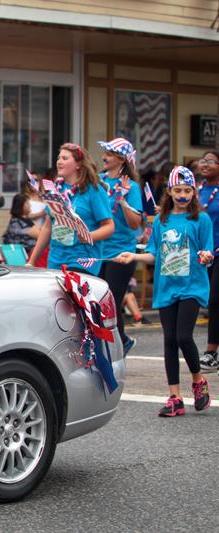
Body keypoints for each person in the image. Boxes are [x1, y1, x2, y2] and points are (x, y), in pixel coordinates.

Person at [115, 166, 213, 416]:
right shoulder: (161, 220)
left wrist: (205, 257)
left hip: (192, 286)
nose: (182, 195)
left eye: (187, 190)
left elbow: (208, 252)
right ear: (169, 191)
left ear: (194, 192)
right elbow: (154, 253)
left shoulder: (201, 219)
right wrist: (133, 257)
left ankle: (199, 380)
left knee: (183, 337)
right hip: (166, 286)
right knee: (169, 341)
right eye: (178, 190)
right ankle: (174, 397)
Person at [27, 143, 114, 276]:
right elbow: (47, 228)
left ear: (78, 164)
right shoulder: (55, 190)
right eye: (59, 158)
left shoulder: (93, 190)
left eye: (65, 158)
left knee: (69, 294)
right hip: (56, 260)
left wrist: (90, 236)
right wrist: (32, 261)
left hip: (82, 260)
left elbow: (109, 227)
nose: (59, 162)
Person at [97, 138, 143, 355]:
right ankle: (120, 340)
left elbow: (135, 224)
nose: (104, 156)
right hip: (97, 251)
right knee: (97, 300)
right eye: (105, 151)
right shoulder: (97, 181)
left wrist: (123, 200)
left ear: (121, 159)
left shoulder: (131, 187)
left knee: (111, 302)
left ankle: (117, 345)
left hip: (121, 252)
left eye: (109, 153)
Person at [197, 150, 219, 370]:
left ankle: (211, 353)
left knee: (214, 301)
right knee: (203, 300)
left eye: (211, 161)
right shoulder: (197, 190)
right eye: (203, 161)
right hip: (201, 254)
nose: (204, 164)